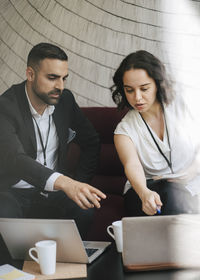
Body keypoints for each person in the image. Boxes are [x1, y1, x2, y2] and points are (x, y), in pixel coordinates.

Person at [0, 42, 106, 238]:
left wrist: (78, 184)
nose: (60, 86)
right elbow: (16, 159)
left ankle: (67, 267)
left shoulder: (65, 100)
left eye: (64, 78)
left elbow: (91, 141)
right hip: (13, 192)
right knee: (3, 212)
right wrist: (65, 182)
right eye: (52, 78)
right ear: (30, 74)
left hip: (55, 193)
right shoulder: (6, 107)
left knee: (83, 209)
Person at [111, 50, 200, 217]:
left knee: (177, 197)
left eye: (144, 88)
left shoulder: (184, 108)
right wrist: (144, 192)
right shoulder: (124, 130)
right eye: (129, 90)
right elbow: (132, 165)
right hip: (146, 189)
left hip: (189, 185)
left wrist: (192, 170)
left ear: (158, 84)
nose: (137, 98)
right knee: (169, 198)